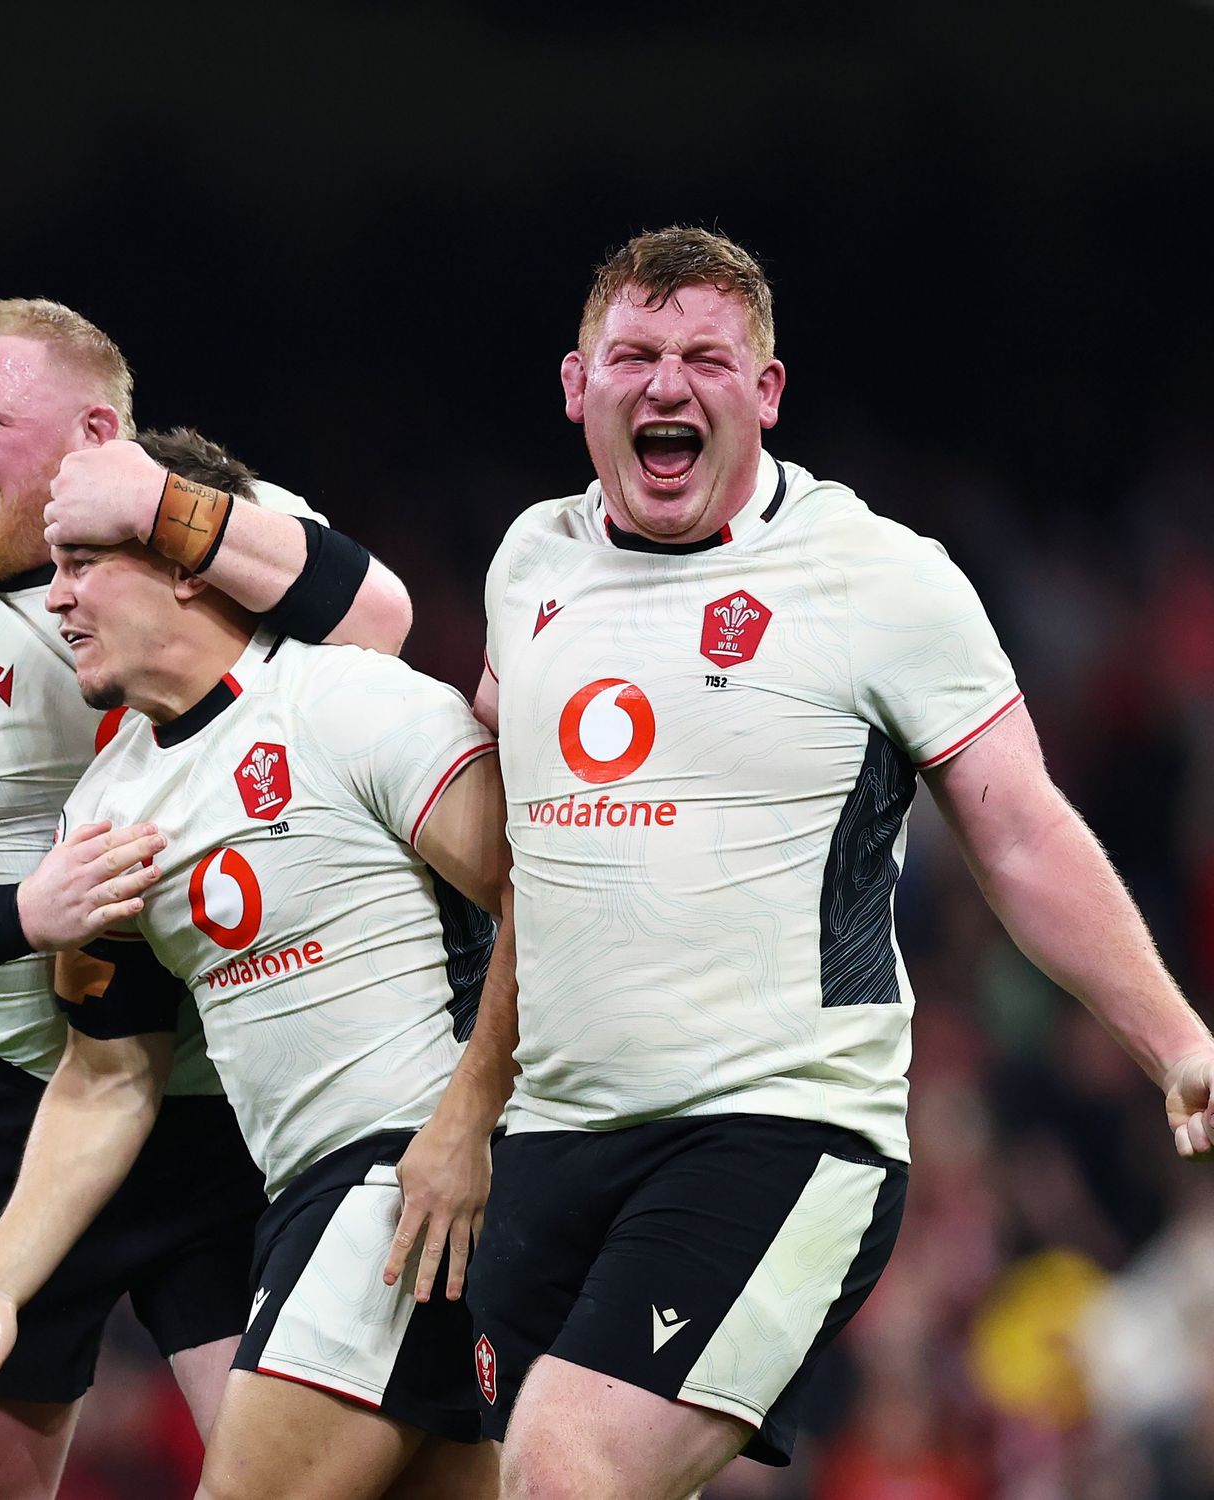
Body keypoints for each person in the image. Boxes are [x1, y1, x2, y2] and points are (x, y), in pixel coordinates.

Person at [466, 225, 1214, 1500]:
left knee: (564, 1466)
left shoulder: (874, 578)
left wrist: (1177, 1041)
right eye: (632, 354)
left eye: (706, 357)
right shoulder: (528, 560)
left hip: (774, 1131)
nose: (665, 387)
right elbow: (503, 769)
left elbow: (1020, 830)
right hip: (550, 1137)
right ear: (573, 385)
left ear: (763, 393)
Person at [0, 300, 415, 1499]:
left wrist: (154, 512)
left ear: (97, 434)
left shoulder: (222, 530)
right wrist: (19, 916)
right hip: (19, 1096)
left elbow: (379, 625)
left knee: (303, 1480)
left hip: (240, 1092)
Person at [0, 427, 517, 1500]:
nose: (54, 600)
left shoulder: (352, 700)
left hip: (402, 1183)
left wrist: (462, 1130)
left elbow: (538, 893)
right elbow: (106, 1075)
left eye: (81, 564)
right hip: (322, 1197)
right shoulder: (108, 812)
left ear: (183, 566)